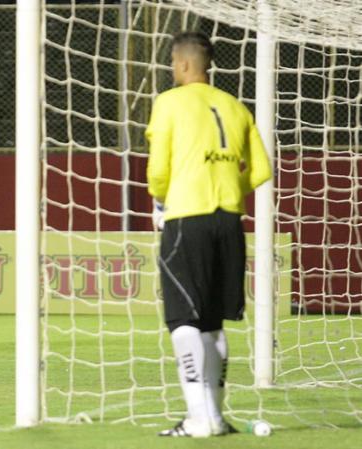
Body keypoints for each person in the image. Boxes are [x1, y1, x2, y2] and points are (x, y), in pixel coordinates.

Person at [146, 32, 272, 437]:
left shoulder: (169, 102)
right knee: (214, 323)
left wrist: (162, 199)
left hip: (187, 217)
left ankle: (198, 417)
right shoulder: (236, 106)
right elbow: (262, 170)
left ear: (182, 65)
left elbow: (158, 172)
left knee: (183, 318)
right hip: (228, 221)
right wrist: (229, 187)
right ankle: (214, 416)